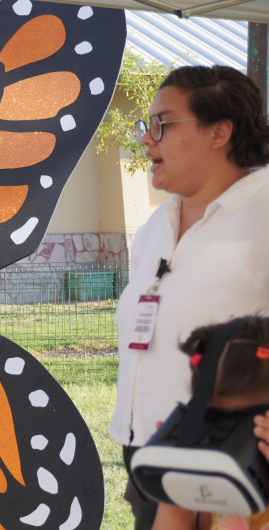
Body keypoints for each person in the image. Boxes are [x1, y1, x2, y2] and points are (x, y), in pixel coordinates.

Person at [109, 64, 269, 529]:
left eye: (162, 123)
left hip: (235, 459)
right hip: (150, 455)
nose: (146, 139)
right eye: (146, 125)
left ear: (219, 132)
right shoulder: (157, 226)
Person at [151, 316, 269, 529]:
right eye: (215, 431)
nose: (227, 450)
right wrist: (175, 496)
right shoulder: (216, 487)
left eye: (245, 431)